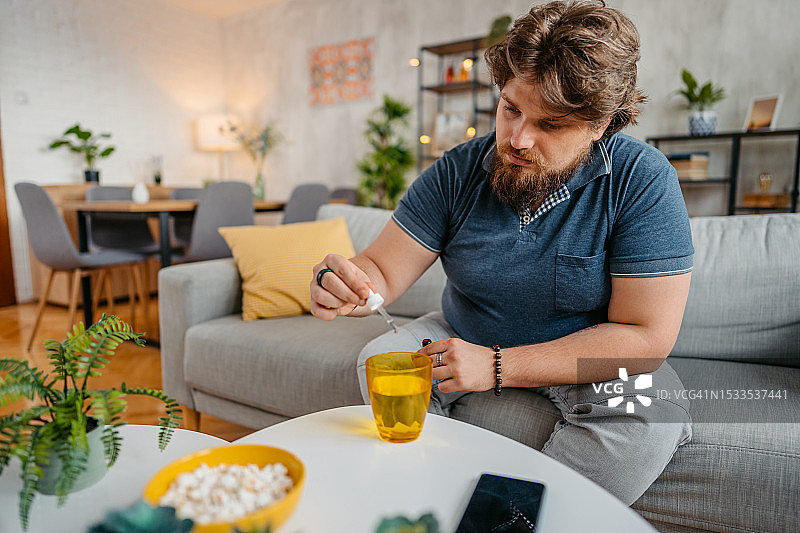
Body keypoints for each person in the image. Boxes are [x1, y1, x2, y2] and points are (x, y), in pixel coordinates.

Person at [310, 0, 693, 505]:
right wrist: (343, 282)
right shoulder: (458, 171)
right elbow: (380, 268)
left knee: (653, 412)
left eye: (550, 126)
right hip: (464, 333)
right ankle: (432, 498)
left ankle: (511, 515)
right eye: (511, 108)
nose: (517, 138)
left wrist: (496, 365)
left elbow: (645, 337)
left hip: (582, 359)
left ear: (600, 125)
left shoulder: (641, 180)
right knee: (382, 357)